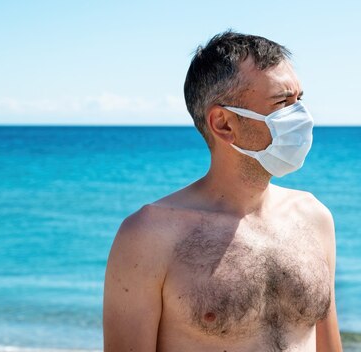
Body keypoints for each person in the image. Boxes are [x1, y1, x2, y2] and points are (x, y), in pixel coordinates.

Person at [103, 30, 342, 352]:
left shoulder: (314, 217)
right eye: (282, 103)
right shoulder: (150, 235)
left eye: (299, 100)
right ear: (224, 124)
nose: (300, 116)